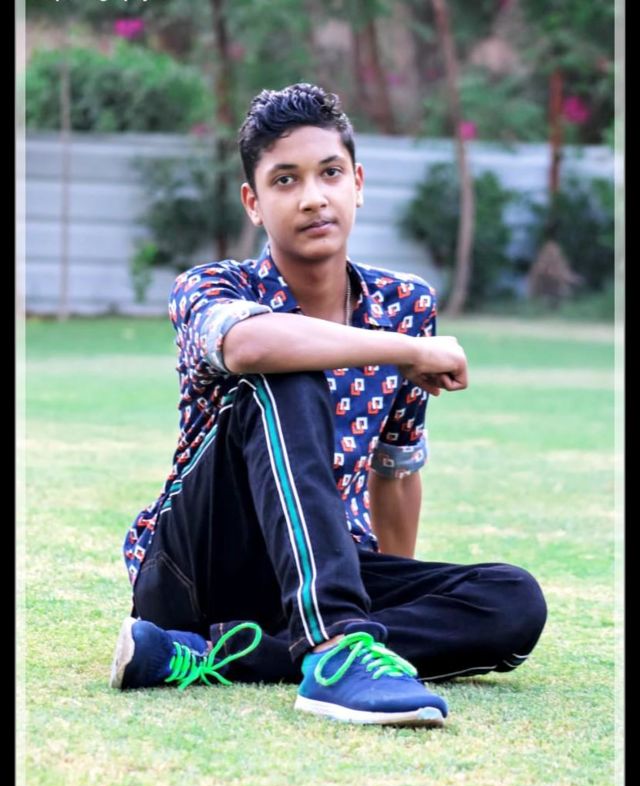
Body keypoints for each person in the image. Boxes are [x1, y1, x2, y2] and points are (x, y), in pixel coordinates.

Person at [109, 83, 547, 727]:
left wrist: (392, 591)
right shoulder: (211, 286)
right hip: (198, 567)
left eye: (331, 173)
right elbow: (249, 345)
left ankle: (223, 655)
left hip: (327, 565)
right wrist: (403, 351)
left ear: (358, 184)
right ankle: (336, 650)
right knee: (287, 371)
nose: (313, 197)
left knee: (511, 599)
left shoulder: (405, 305)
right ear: (254, 203)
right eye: (285, 180)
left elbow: (395, 469)